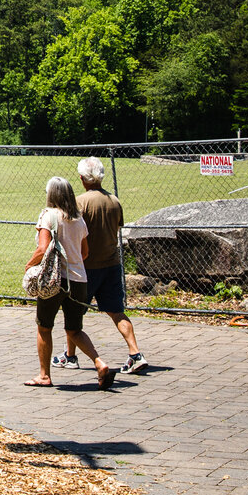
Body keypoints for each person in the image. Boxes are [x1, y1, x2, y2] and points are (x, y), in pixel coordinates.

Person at [53, 157, 149, 375]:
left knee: (73, 315)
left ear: (82, 178)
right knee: (117, 311)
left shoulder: (79, 202)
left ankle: (70, 356)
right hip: (112, 264)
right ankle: (135, 354)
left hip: (86, 267)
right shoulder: (114, 201)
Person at [25, 175, 116, 388]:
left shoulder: (48, 215)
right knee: (74, 329)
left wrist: (29, 266)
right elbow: (84, 253)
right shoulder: (79, 220)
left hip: (55, 281)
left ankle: (44, 375)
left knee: (44, 327)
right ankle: (99, 362)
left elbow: (43, 248)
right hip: (79, 280)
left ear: (51, 194)